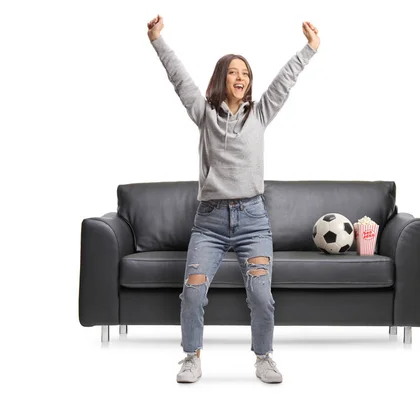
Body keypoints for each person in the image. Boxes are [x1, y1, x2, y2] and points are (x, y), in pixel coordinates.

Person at [147, 14, 320, 384]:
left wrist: (309, 50)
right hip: (209, 222)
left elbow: (283, 82)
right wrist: (157, 40)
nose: (241, 78)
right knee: (192, 292)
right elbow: (180, 79)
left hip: (253, 221)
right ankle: (191, 356)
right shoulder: (205, 113)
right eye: (233, 72)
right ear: (221, 78)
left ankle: (264, 358)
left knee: (261, 295)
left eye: (245, 73)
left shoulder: (259, 113)